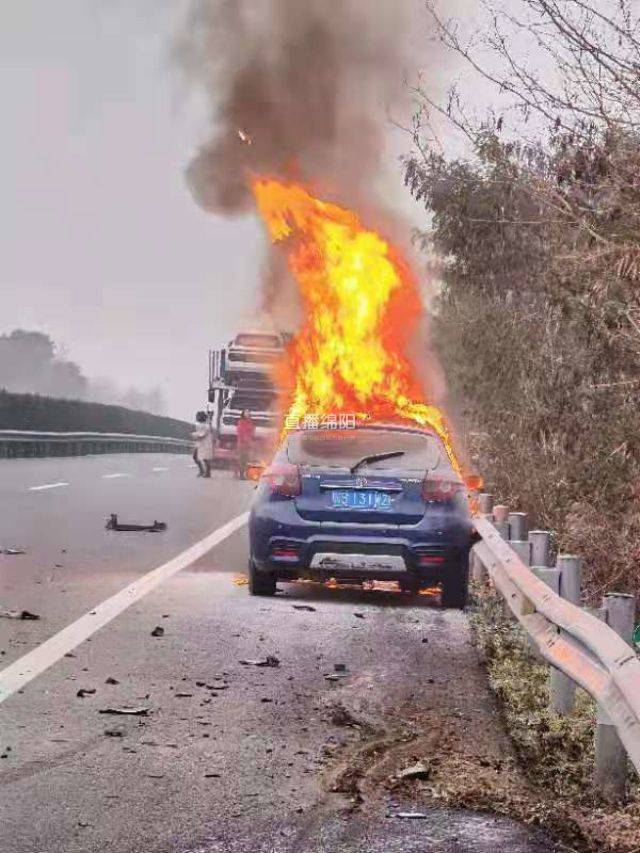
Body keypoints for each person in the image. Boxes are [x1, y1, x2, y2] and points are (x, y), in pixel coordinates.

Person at [192, 410, 215, 478]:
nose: (196, 417)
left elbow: (201, 434)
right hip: (200, 444)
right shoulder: (202, 425)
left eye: (197, 416)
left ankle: (207, 472)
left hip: (205, 444)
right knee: (196, 457)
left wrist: (193, 434)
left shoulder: (205, 425)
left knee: (205, 458)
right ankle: (203, 471)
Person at [235, 409, 255, 479]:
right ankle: (241, 474)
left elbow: (252, 431)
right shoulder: (241, 422)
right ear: (243, 414)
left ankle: (243, 473)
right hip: (242, 443)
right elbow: (239, 432)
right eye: (246, 412)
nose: (247, 413)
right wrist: (243, 440)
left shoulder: (250, 422)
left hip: (248, 443)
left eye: (248, 412)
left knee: (246, 459)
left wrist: (250, 441)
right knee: (242, 459)